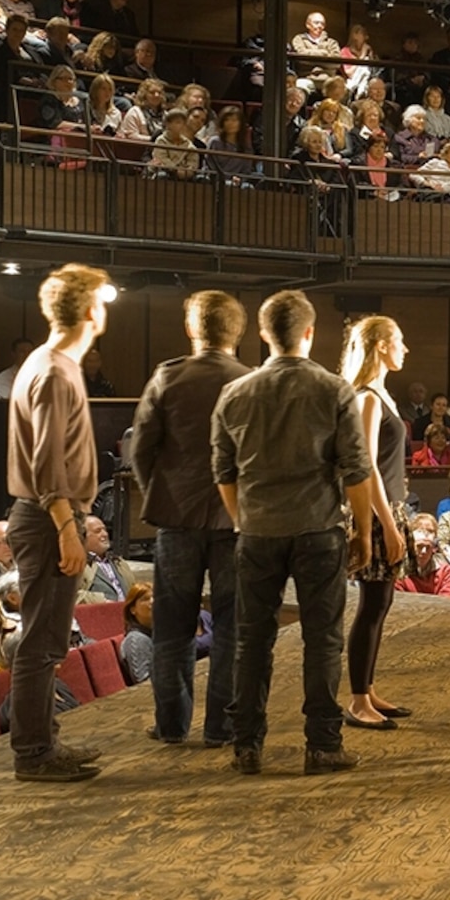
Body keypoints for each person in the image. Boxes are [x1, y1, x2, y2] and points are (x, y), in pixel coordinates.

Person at [213, 287, 385, 776]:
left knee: (252, 642)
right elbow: (355, 469)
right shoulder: (333, 389)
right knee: (322, 641)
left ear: (264, 334)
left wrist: (243, 518)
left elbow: (223, 469)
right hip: (317, 529)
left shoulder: (235, 392)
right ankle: (323, 745)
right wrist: (364, 533)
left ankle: (246, 745)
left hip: (258, 532)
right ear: (310, 333)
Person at [124, 289, 249, 748]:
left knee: (172, 627)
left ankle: (172, 726)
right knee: (234, 628)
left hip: (176, 518)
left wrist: (160, 490)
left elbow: (140, 448)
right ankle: (223, 728)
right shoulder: (250, 381)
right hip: (236, 521)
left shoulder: (168, 377)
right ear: (239, 332)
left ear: (191, 329)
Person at [2, 263, 109, 783]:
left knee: (47, 640)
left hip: (48, 518)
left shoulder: (53, 365)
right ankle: (34, 752)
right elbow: (47, 465)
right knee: (41, 642)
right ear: (91, 310)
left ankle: (44, 741)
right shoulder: (51, 370)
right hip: (47, 520)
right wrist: (68, 525)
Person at [335, 315, 411, 733]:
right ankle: (358, 699)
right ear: (381, 345)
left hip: (390, 507)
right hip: (378, 511)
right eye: (399, 341)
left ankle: (367, 689)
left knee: (380, 604)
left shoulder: (382, 394)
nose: (405, 348)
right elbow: (367, 467)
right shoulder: (366, 397)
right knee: (371, 605)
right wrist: (387, 522)